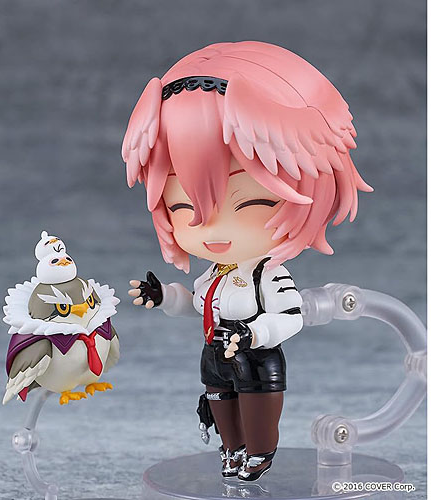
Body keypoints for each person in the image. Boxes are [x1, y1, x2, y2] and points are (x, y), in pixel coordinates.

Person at [122, 41, 371, 481]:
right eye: (182, 207)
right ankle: (231, 450)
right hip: (215, 354)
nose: (211, 229)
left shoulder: (267, 276)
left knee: (257, 415)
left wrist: (252, 332)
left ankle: (258, 454)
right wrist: (164, 297)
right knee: (221, 404)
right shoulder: (214, 275)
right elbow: (196, 305)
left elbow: (290, 318)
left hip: (256, 357)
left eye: (250, 202)